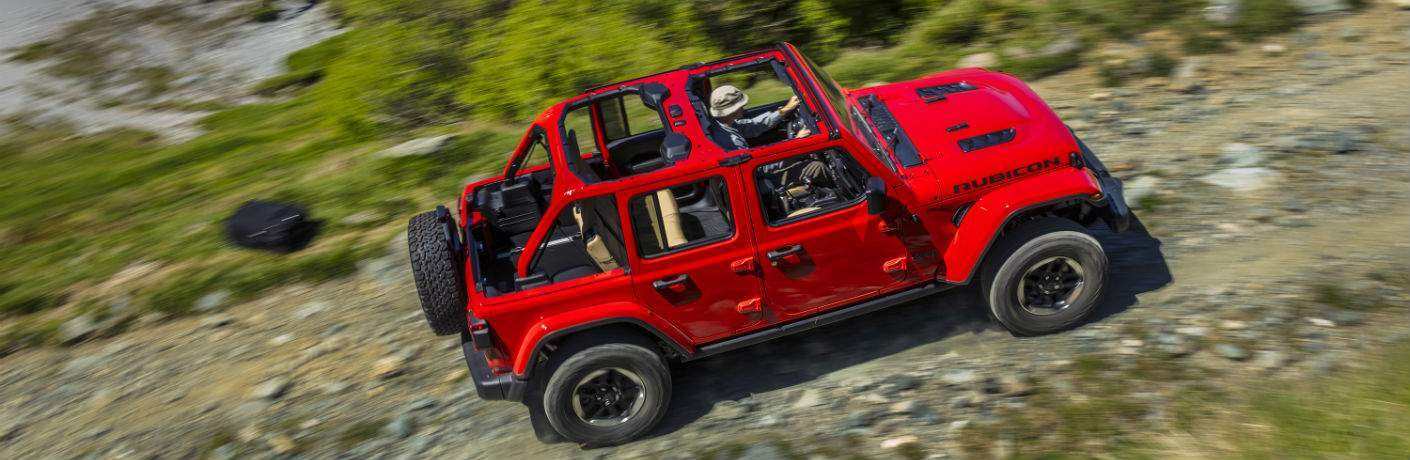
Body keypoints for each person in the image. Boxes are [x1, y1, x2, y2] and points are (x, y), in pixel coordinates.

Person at [707, 85, 812, 151]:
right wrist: (796, 143)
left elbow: (755, 125)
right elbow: (761, 165)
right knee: (817, 167)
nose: (743, 108)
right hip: (763, 179)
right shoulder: (732, 141)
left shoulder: (725, 124)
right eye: (740, 106)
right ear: (731, 111)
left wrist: (785, 110)